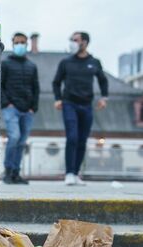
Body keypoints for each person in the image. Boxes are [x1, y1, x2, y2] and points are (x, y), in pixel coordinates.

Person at [52, 31, 109, 186]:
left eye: (75, 40)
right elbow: (56, 82)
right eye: (71, 40)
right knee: (72, 137)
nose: (73, 42)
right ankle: (69, 173)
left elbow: (103, 81)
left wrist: (104, 98)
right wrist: (58, 99)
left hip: (87, 106)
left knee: (82, 140)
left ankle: (76, 173)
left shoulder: (94, 62)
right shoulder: (66, 62)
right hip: (69, 104)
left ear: (85, 42)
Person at [1, 32, 39, 185]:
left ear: (27, 44)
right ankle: (8, 171)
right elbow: (0, 85)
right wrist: (6, 104)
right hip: (11, 108)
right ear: (12, 43)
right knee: (14, 137)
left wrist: (33, 108)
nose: (20, 45)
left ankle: (16, 172)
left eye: (23, 42)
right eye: (18, 42)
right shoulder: (5, 63)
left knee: (22, 141)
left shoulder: (32, 66)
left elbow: (36, 88)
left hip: (27, 110)